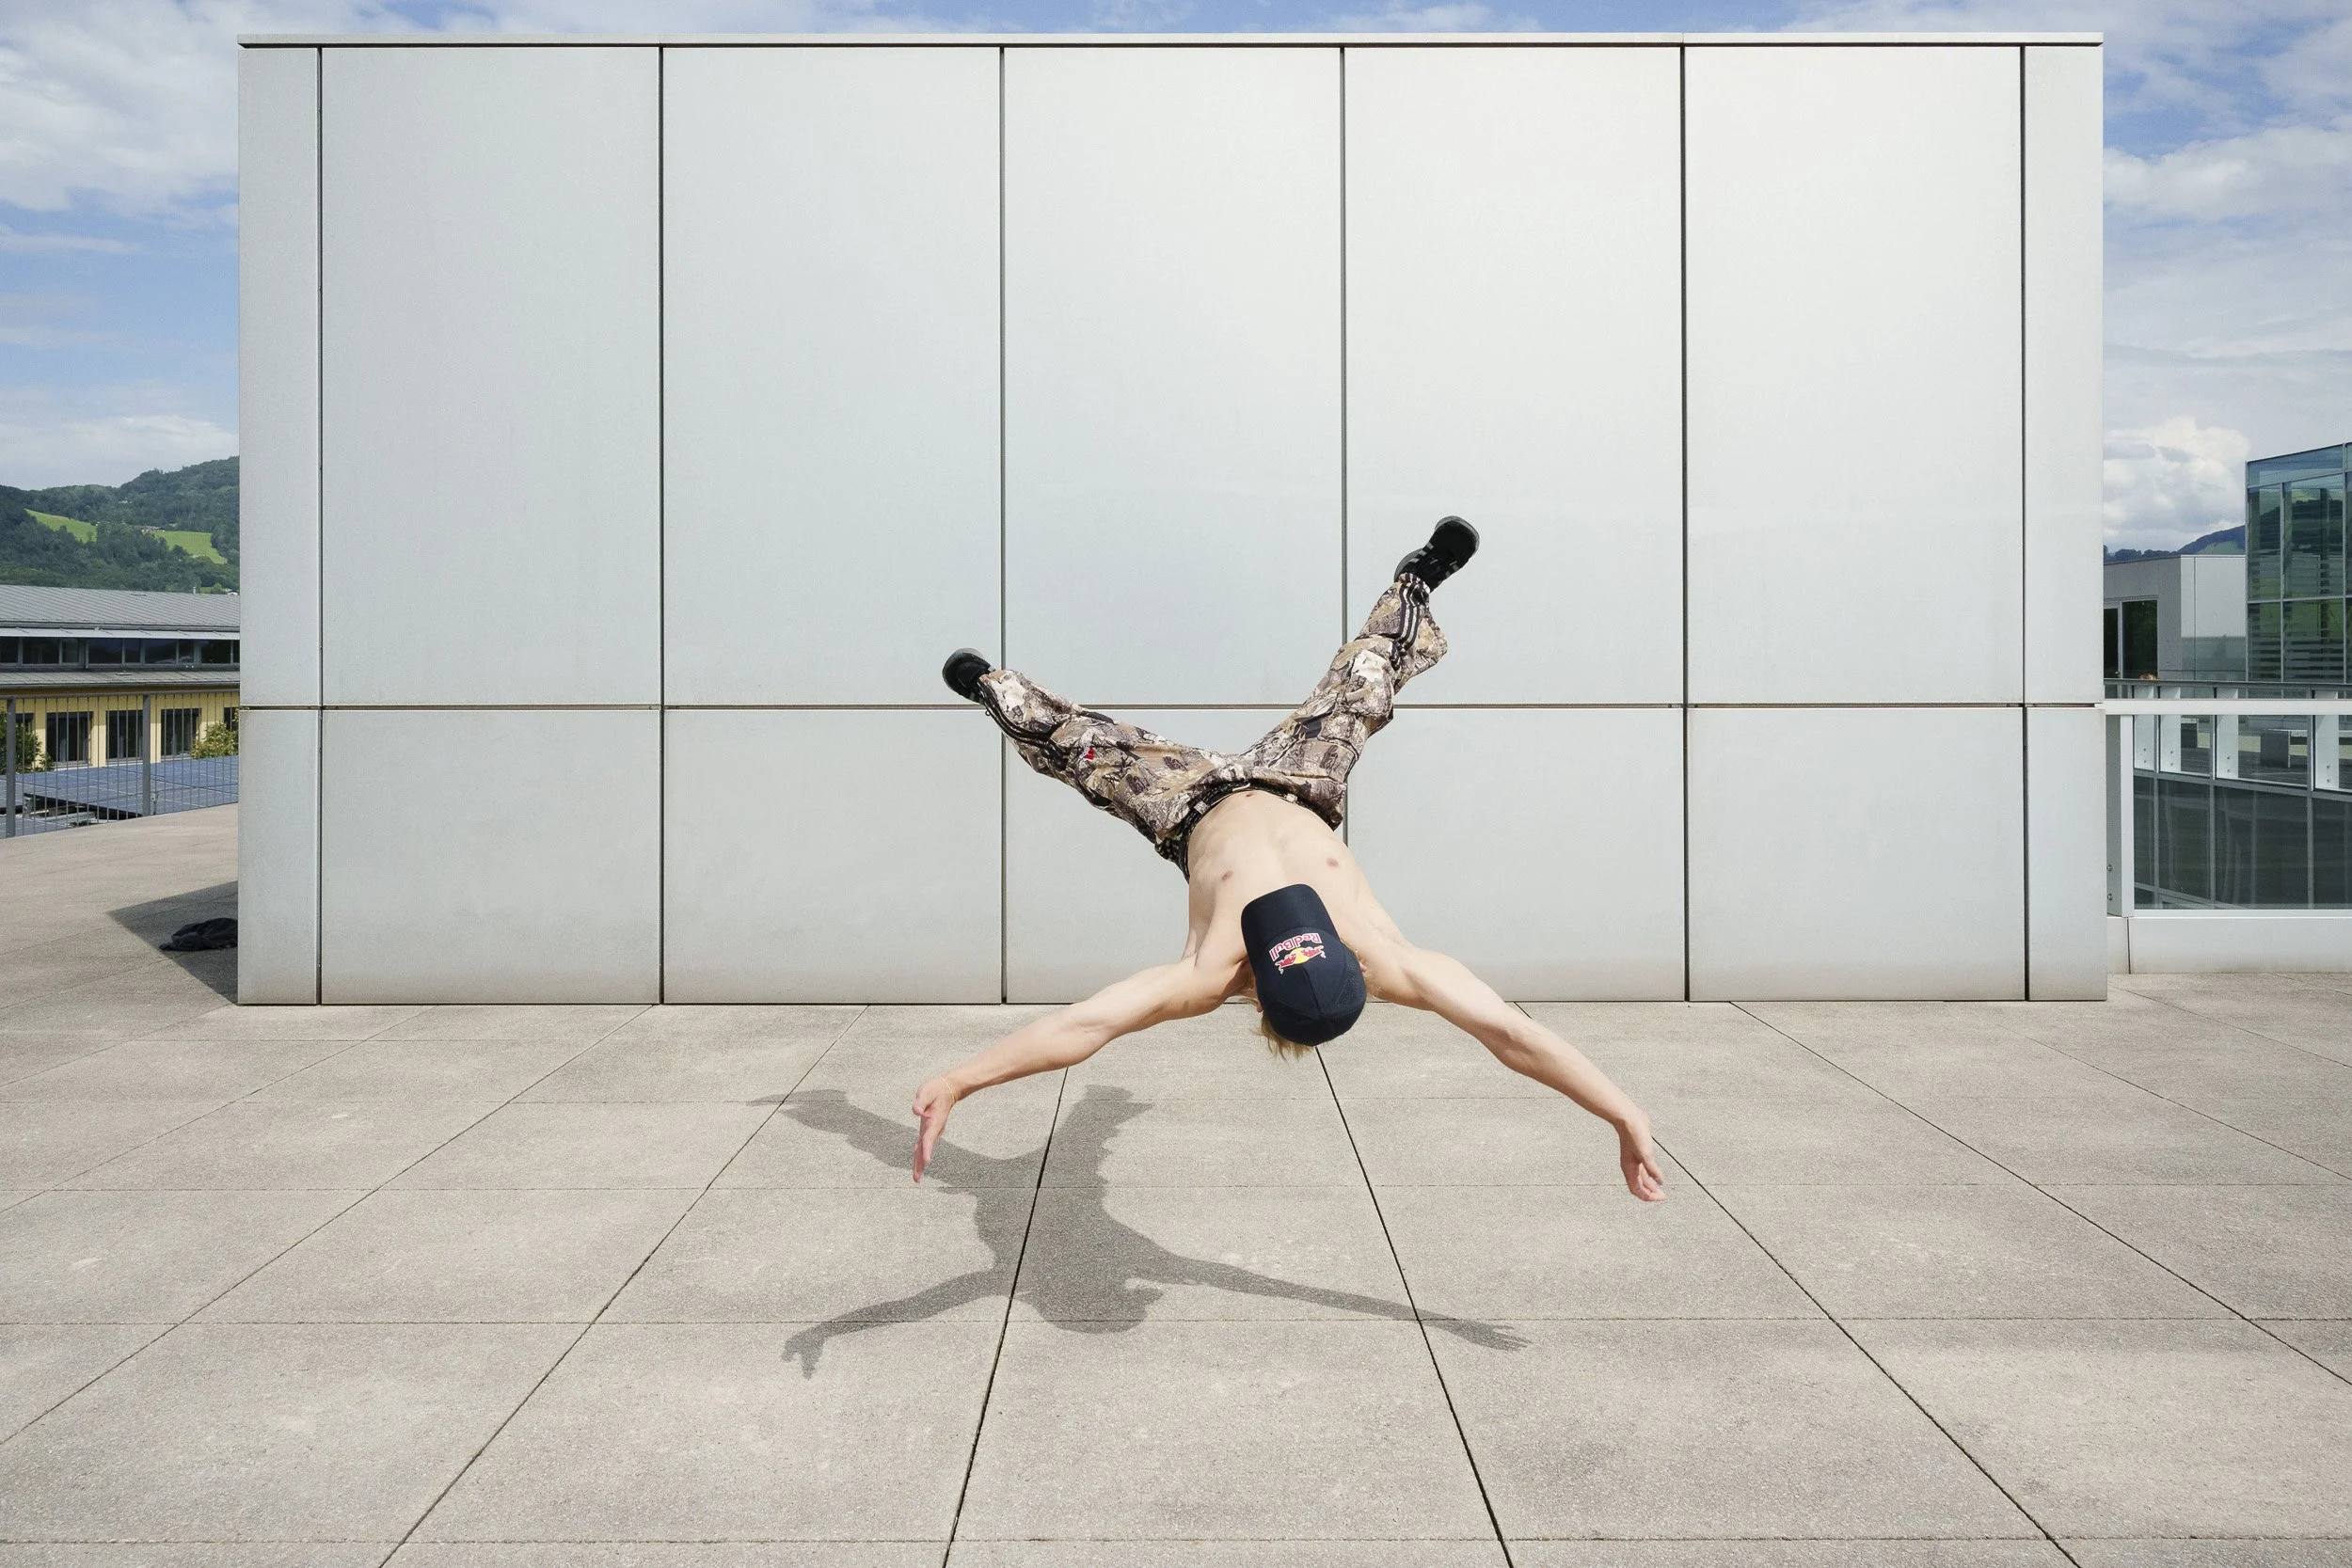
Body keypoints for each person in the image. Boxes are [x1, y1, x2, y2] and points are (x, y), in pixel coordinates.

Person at [919, 517, 1663, 1202]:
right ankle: (1415, 583)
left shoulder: (1208, 973)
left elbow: (1085, 1026)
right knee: (1362, 682)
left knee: (1083, 748)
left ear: (1257, 977)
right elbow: (1511, 1033)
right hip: (1304, 783)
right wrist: (1622, 1110)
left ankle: (991, 685)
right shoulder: (1390, 961)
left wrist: (960, 1078)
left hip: (1189, 804)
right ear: (1351, 961)